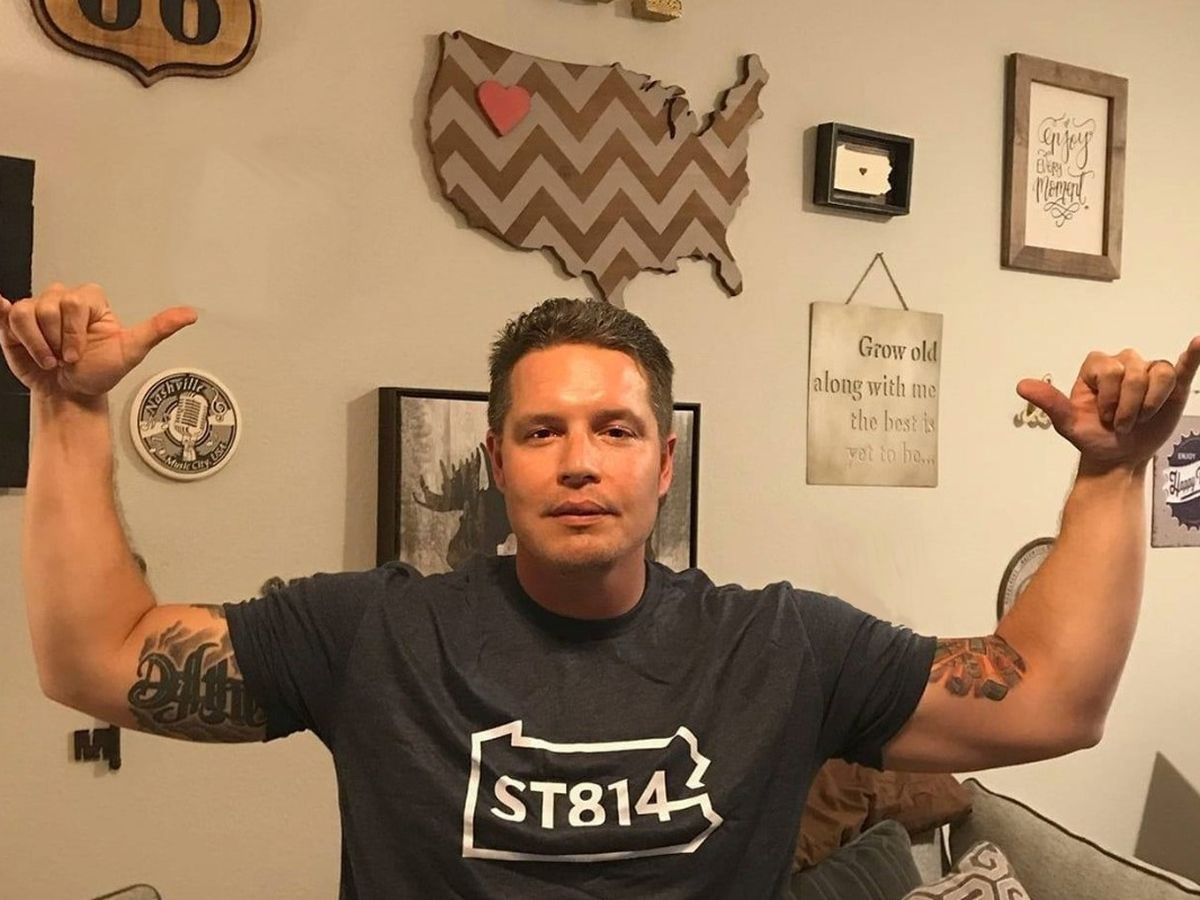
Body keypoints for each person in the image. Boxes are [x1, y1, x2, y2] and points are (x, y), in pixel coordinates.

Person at [4, 282, 1198, 898]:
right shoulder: (372, 635)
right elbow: (93, 659)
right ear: (498, 460)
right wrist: (67, 409)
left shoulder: (782, 646)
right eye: (543, 432)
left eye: (616, 429)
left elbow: (1049, 700)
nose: (579, 461)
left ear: (664, 461)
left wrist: (1113, 474)